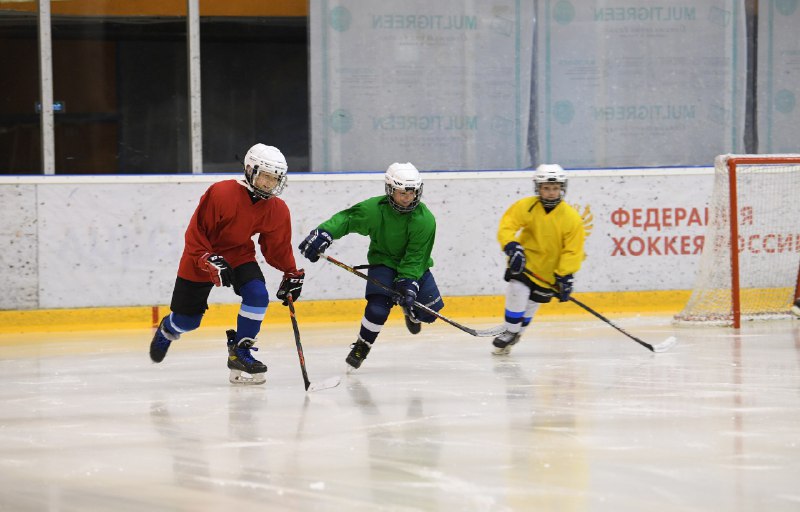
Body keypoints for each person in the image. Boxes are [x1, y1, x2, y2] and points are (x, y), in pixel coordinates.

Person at [149, 143, 305, 385]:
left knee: (257, 294)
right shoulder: (221, 193)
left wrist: (291, 272)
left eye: (275, 179)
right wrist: (205, 258)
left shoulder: (277, 209)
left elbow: (277, 247)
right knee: (188, 321)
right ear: (251, 170)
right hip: (200, 256)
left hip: (239, 255)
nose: (269, 184)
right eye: (265, 176)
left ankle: (240, 351)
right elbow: (195, 233)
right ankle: (169, 329)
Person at [298, 162, 443, 370]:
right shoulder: (374, 210)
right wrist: (324, 233)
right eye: (402, 192)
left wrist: (409, 283)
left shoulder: (425, 220)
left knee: (428, 313)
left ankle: (409, 311)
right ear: (390, 190)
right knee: (377, 309)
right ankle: (362, 345)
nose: (408, 198)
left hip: (413, 266)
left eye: (412, 192)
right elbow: (347, 219)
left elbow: (416, 257)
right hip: (383, 262)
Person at [492, 164, 586, 355]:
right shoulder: (526, 206)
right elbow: (507, 226)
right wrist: (511, 246)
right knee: (517, 290)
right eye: (546, 188)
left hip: (549, 273)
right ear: (538, 188)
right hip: (525, 265)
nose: (551, 192)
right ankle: (510, 329)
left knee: (532, 304)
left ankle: (516, 333)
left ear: (562, 188)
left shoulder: (571, 218)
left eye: (555, 188)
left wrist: (565, 275)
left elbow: (573, 250)